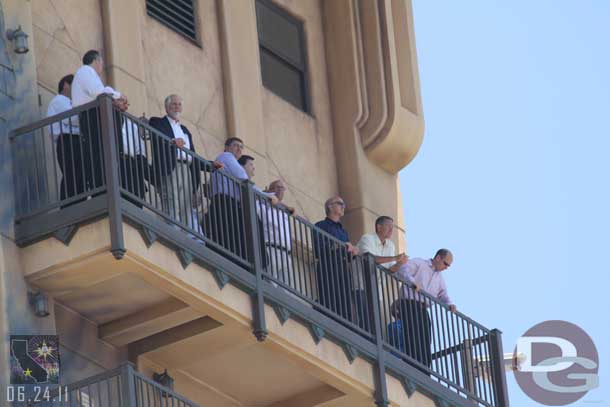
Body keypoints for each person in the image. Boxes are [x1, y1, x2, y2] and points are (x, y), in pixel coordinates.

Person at [149, 94, 220, 236]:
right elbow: (157, 138)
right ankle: (173, 235)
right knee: (171, 200)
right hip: (170, 167)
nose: (177, 107)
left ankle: (185, 238)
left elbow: (193, 156)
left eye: (179, 104)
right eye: (174, 104)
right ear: (167, 106)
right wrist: (172, 141)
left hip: (186, 169)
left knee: (186, 206)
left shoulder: (185, 130)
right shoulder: (157, 122)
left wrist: (211, 165)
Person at [71, 50, 127, 195]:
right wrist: (119, 96)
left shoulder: (86, 73)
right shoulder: (86, 70)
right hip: (92, 116)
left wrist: (116, 100)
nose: (102, 66)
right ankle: (102, 190)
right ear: (97, 61)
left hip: (93, 116)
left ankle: (104, 188)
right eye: (101, 62)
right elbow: (98, 92)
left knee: (101, 155)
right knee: (99, 154)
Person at [207, 138, 267, 267]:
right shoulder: (226, 156)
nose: (239, 149)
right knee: (227, 233)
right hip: (223, 202)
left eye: (241, 146)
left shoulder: (230, 161)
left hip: (228, 203)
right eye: (235, 145)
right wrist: (266, 197)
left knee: (231, 235)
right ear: (227, 147)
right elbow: (243, 177)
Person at [395, 249, 457, 369]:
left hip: (423, 309)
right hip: (409, 304)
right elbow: (403, 269)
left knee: (425, 341)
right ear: (438, 258)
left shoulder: (440, 278)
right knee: (412, 337)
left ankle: (424, 370)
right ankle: (411, 366)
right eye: (446, 264)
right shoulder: (420, 263)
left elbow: (443, 295)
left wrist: (450, 304)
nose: (446, 267)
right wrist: (412, 282)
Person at [314, 197, 361, 326]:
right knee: (330, 297)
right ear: (330, 206)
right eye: (340, 204)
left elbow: (348, 254)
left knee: (344, 300)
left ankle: (344, 326)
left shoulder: (343, 231)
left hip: (342, 268)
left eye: (344, 204)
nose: (343, 206)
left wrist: (353, 252)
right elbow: (319, 248)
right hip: (327, 266)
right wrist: (340, 245)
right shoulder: (320, 225)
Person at [356, 216, 408, 331]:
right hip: (361, 286)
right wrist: (395, 257)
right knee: (364, 320)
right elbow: (370, 258)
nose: (391, 230)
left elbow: (390, 270)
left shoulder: (390, 245)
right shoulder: (367, 238)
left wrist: (399, 263)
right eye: (388, 226)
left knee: (373, 324)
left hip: (377, 292)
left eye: (392, 227)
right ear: (379, 227)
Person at [47, 74, 81, 205]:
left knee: (79, 176)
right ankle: (68, 207)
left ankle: (78, 204)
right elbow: (73, 119)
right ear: (66, 85)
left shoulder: (69, 102)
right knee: (71, 174)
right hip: (68, 141)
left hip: (74, 140)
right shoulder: (60, 100)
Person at [257, 180, 296, 289]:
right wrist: (266, 196)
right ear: (270, 190)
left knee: (287, 290)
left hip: (286, 254)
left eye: (282, 188)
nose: (280, 190)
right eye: (278, 187)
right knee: (270, 286)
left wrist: (284, 206)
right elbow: (254, 197)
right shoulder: (262, 206)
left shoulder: (283, 211)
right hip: (272, 249)